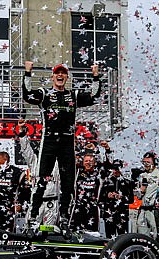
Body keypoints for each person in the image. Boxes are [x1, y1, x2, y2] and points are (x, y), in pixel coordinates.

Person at [22, 60, 101, 235]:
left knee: (67, 183)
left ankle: (64, 218)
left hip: (67, 143)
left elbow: (94, 97)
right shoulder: (44, 94)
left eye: (63, 73)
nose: (60, 75)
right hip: (49, 142)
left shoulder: (73, 95)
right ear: (52, 77)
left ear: (66, 77)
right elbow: (27, 95)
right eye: (57, 73)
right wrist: (27, 72)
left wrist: (95, 75)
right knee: (42, 180)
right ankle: (32, 219)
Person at [0, 151, 28, 231]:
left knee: (8, 232)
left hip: (9, 208)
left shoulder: (17, 172)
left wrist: (20, 204)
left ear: (5, 159)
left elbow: (25, 191)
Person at [99, 159, 133, 238]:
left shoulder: (127, 182)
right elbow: (100, 198)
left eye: (118, 168)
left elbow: (131, 200)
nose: (116, 171)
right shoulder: (106, 181)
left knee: (123, 238)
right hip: (109, 214)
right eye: (114, 168)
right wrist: (108, 195)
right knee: (109, 239)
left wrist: (121, 197)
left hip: (122, 214)